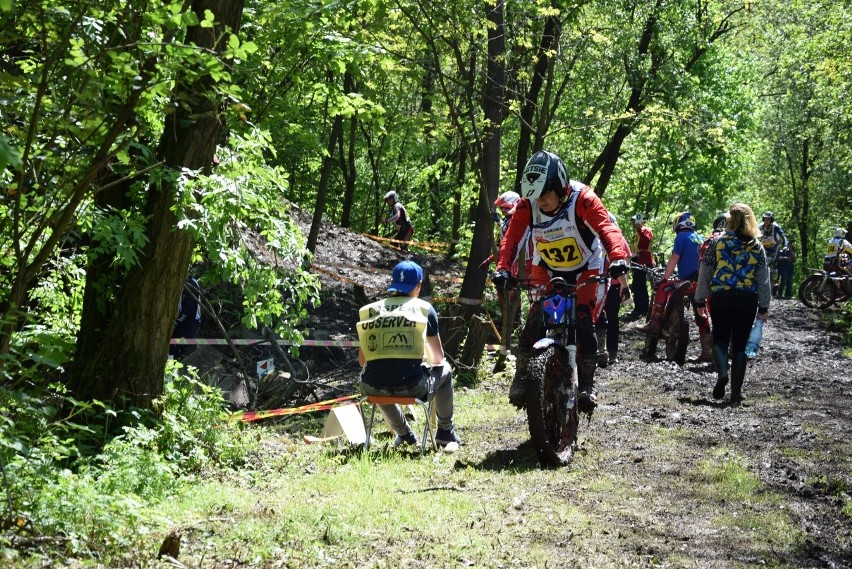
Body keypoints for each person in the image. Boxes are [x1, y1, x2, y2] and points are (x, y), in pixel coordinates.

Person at [491, 150, 630, 414]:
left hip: (586, 267)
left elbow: (607, 229)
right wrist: (503, 269)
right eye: (534, 196)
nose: (538, 201)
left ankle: (587, 386)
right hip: (547, 265)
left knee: (584, 319)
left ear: (560, 187)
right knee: (535, 318)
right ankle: (521, 377)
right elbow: (512, 238)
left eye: (544, 195)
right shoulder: (527, 204)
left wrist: (618, 259)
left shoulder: (584, 199)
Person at [356, 260, 461, 448]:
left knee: (379, 377)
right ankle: (445, 431)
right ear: (419, 285)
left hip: (371, 388)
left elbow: (362, 360)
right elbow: (438, 359)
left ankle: (404, 434)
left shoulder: (371, 311)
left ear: (393, 284)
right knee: (445, 369)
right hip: (413, 388)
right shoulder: (424, 310)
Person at [695, 203, 771, 404]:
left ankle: (722, 373)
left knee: (720, 339)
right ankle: (736, 394)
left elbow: (705, 271)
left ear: (730, 219)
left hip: (721, 297)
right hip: (747, 299)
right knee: (740, 345)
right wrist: (764, 306)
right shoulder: (757, 246)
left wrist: (700, 298)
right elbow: (763, 279)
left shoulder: (718, 242)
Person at [639, 212, 712, 363]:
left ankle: (654, 322)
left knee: (662, 287)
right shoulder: (698, 237)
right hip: (700, 281)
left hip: (686, 280)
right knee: (701, 315)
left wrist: (665, 277)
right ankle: (707, 350)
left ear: (678, 223)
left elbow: (674, 258)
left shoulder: (681, 237)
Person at [595, 212, 631, 367]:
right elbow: (627, 260)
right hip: (615, 284)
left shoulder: (594, 237)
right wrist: (625, 285)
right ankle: (611, 353)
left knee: (595, 317)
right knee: (612, 318)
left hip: (597, 283)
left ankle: (597, 351)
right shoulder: (619, 238)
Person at [628, 213, 654, 319]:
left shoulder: (646, 230)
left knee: (640, 285)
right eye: (634, 221)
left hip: (644, 260)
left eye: (636, 221)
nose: (635, 223)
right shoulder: (635, 234)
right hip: (636, 260)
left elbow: (645, 241)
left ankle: (643, 308)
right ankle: (638, 307)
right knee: (636, 284)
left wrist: (640, 230)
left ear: (642, 221)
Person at [170, 275, 202, 358]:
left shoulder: (191, 284)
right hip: (182, 320)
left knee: (177, 348)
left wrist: (178, 321)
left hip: (190, 322)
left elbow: (189, 307)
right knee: (172, 347)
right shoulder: (182, 284)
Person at [759, 211, 787, 293]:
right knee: (760, 262)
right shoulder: (760, 226)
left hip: (774, 248)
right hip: (763, 248)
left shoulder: (776, 227)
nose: (766, 221)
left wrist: (785, 245)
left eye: (768, 219)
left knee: (775, 265)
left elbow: (783, 236)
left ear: (771, 220)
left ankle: (774, 283)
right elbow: (753, 234)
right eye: (765, 219)